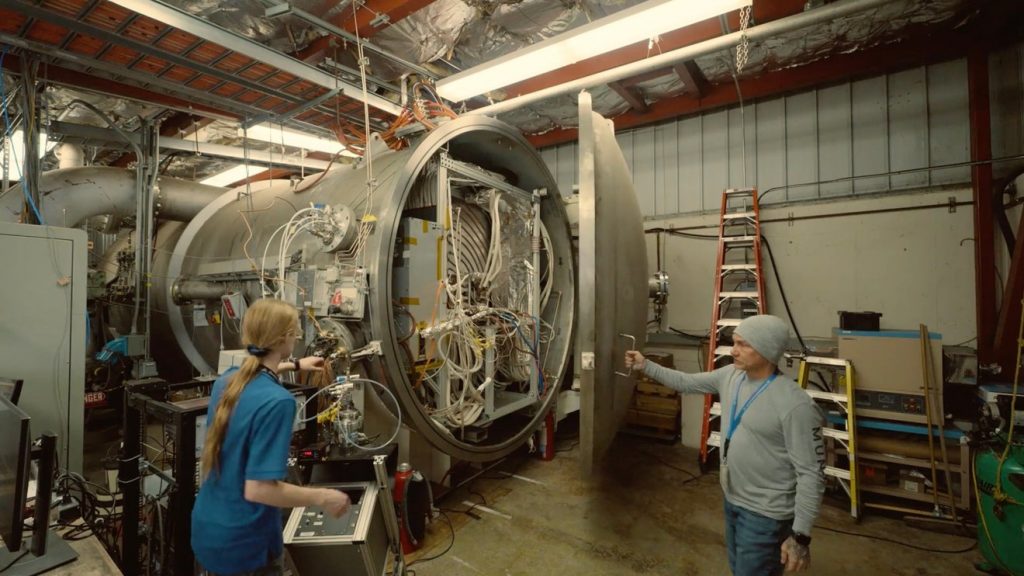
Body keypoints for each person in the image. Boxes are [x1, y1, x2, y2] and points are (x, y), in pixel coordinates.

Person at [625, 315, 825, 576]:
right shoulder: (732, 376)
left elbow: (812, 473)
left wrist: (800, 537)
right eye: (734, 342)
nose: (733, 350)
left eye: (743, 344)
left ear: (766, 350)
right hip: (733, 500)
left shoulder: (795, 405)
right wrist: (646, 365)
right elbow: (687, 383)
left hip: (766, 514)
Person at [192, 298, 351, 576]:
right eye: (295, 332)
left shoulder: (225, 382)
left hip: (210, 530)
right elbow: (259, 489)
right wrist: (324, 497)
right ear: (284, 339)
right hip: (246, 545)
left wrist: (296, 364)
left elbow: (257, 371)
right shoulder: (279, 402)